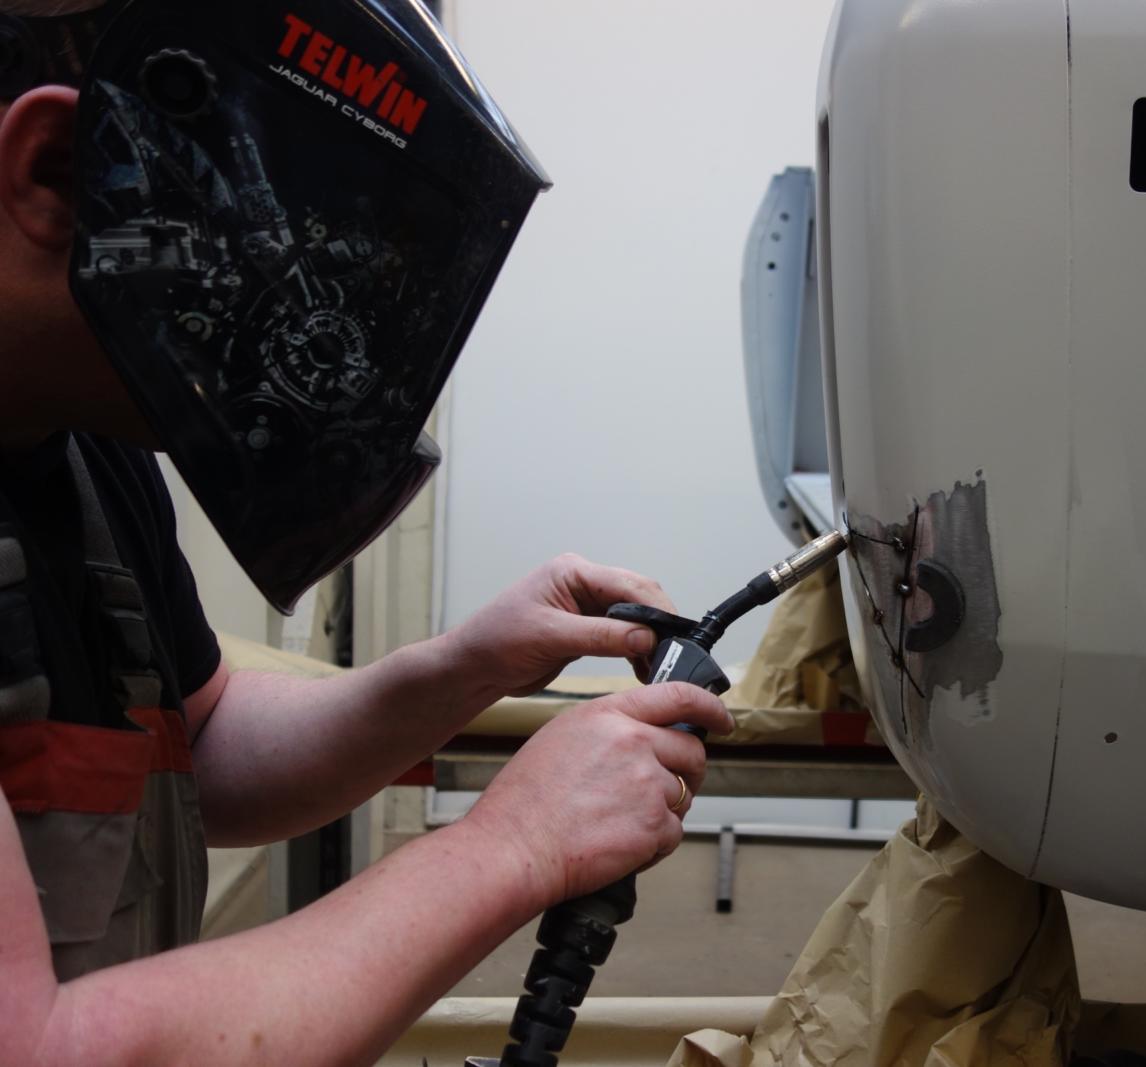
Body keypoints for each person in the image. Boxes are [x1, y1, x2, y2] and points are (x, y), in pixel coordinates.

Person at [0, 0, 733, 1062]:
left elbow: (205, 743)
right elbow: (36, 1045)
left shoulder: (83, 441)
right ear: (59, 174)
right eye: (274, 253)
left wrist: (464, 666)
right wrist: (517, 842)